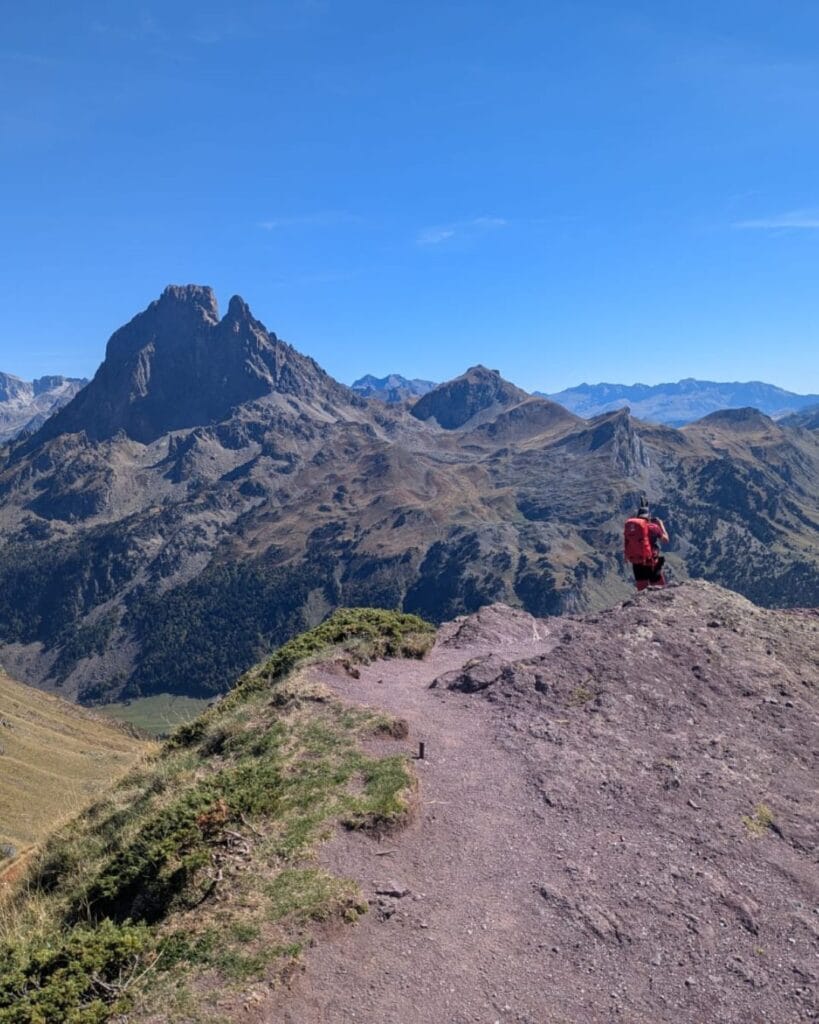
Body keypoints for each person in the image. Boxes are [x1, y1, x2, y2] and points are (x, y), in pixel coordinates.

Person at [623, 502, 669, 592]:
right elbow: (666, 540)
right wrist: (661, 525)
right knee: (660, 590)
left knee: (641, 591)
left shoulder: (632, 529)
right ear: (648, 517)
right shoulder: (654, 527)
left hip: (637, 561)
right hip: (651, 562)